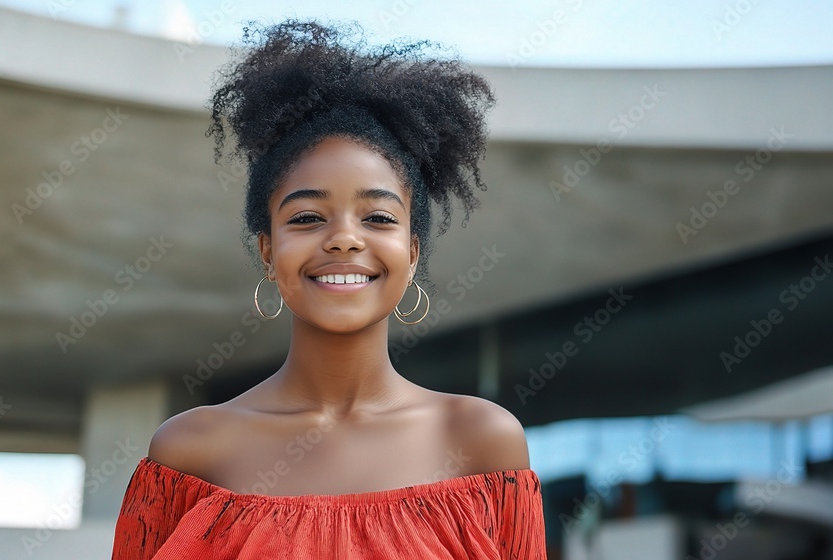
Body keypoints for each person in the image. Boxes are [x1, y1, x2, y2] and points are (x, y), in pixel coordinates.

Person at [112, 19, 547, 559]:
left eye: (379, 218)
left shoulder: (483, 442)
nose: (343, 238)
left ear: (412, 253)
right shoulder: (190, 452)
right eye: (308, 216)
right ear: (268, 252)